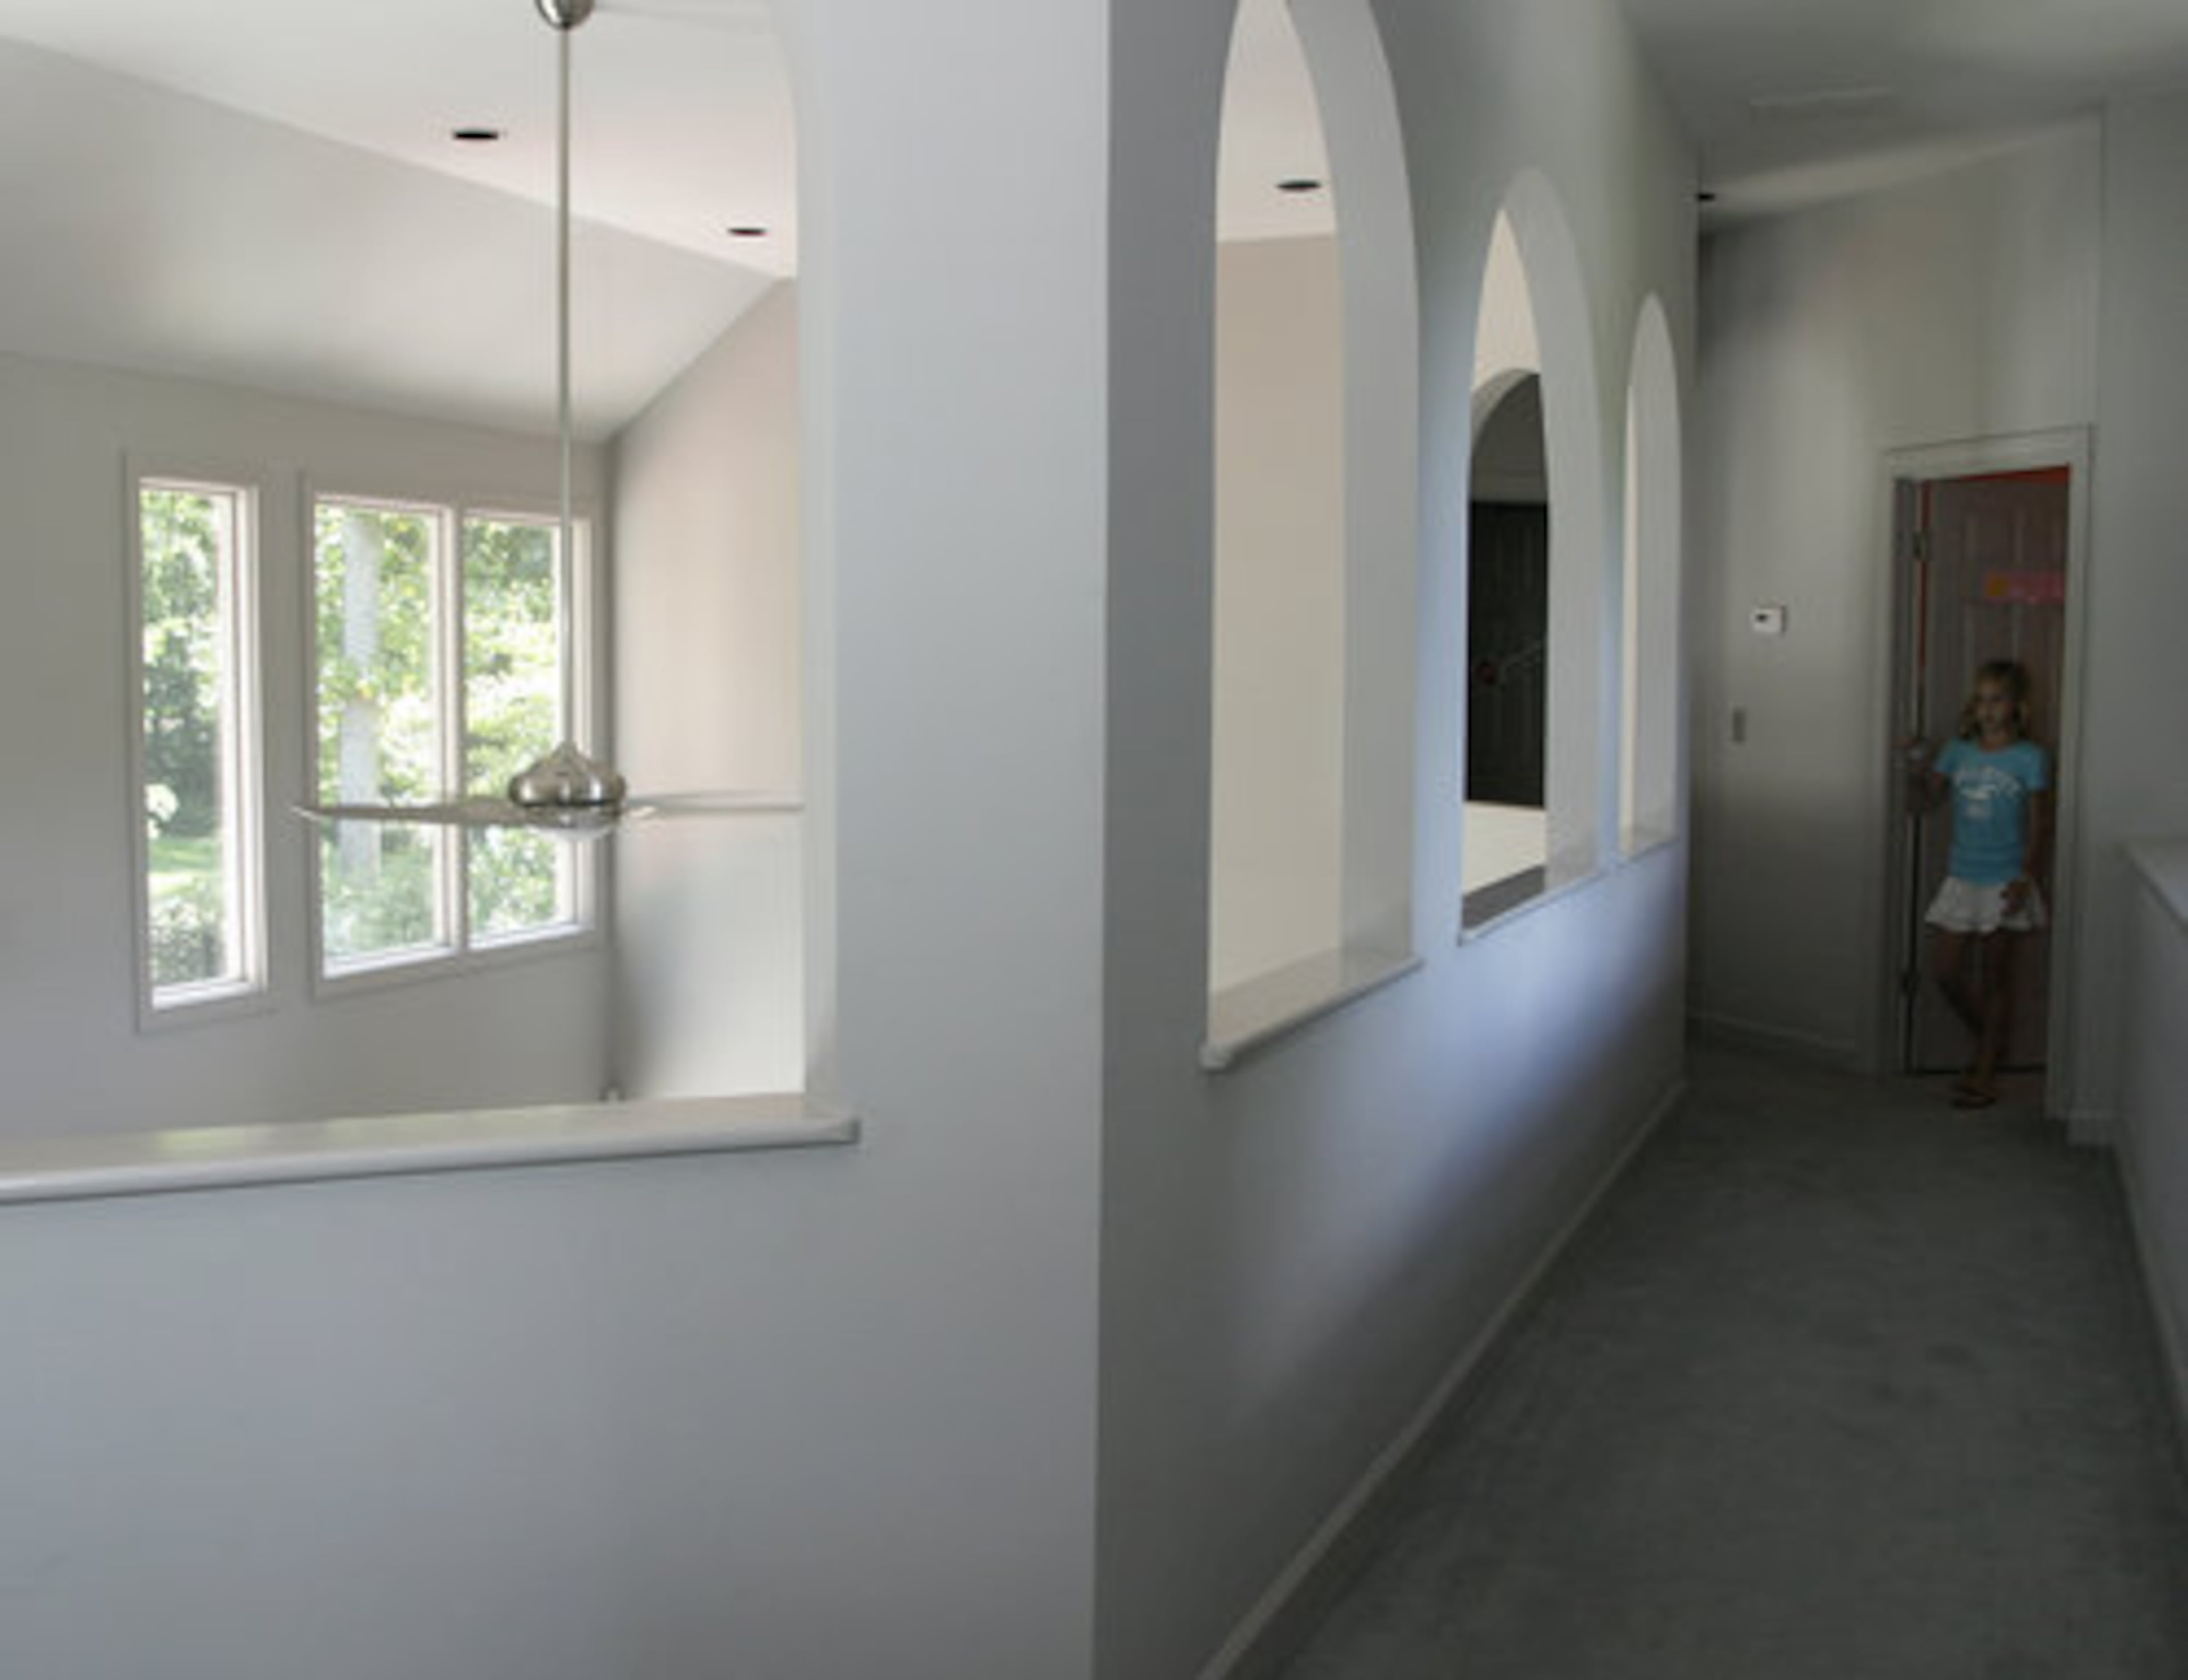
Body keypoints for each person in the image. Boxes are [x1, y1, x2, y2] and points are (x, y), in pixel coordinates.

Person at [1908, 659, 2051, 1109]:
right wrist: (1917, 762)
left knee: (1997, 979)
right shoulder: (1959, 750)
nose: (1989, 710)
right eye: (1983, 699)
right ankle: (1989, 1040)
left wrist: (2026, 878)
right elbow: (1927, 800)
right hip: (1962, 876)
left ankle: (1985, 1071)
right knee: (1946, 971)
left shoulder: (2030, 757)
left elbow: (2041, 823)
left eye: (1999, 700)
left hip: (2005, 879)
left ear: (2016, 706)